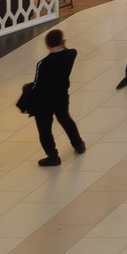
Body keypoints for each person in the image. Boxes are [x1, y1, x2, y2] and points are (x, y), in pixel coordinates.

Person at [24, 30, 83, 167]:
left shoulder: (43, 63)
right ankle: (78, 144)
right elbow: (69, 50)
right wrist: (63, 45)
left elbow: (38, 84)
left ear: (47, 45)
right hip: (61, 96)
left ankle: (53, 156)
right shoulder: (71, 54)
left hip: (43, 101)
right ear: (62, 42)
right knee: (65, 119)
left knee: (44, 129)